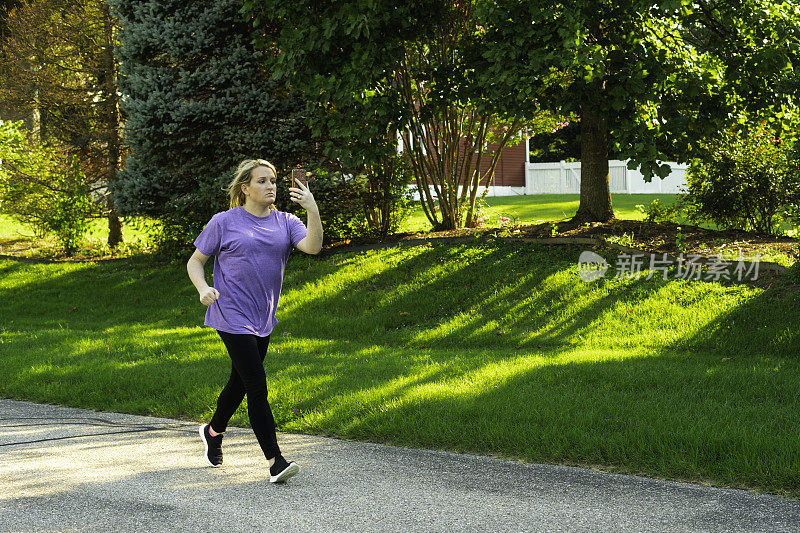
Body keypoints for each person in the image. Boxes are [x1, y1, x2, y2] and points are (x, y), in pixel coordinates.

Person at [187, 159, 322, 483]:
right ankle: (275, 461)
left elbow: (313, 247)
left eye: (273, 180)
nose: (271, 186)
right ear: (245, 188)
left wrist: (312, 210)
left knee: (240, 382)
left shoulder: (286, 222)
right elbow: (196, 261)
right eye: (262, 181)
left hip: (263, 316)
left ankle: (213, 430)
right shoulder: (224, 222)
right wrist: (204, 288)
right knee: (257, 386)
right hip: (229, 313)